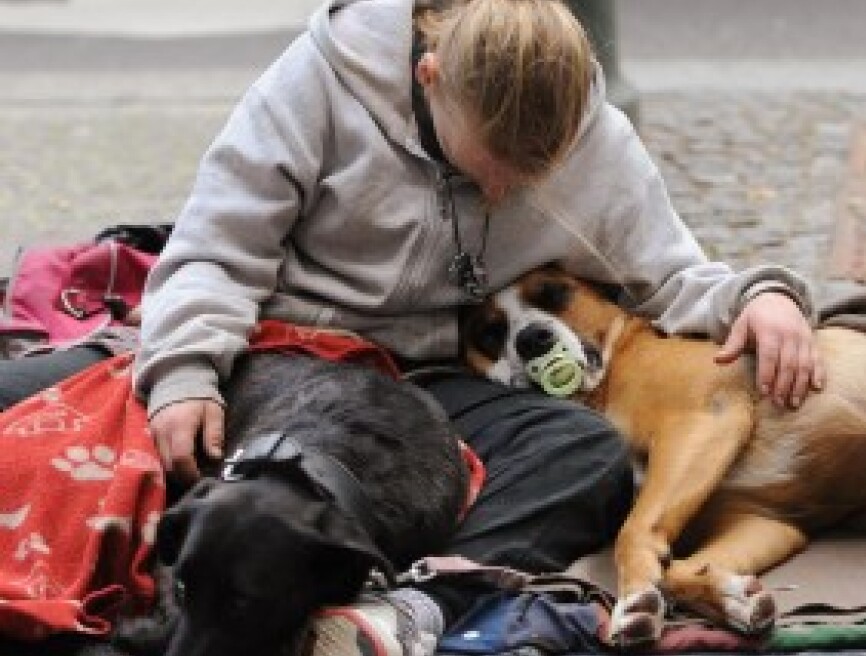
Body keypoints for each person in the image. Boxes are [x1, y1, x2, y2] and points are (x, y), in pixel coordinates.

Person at [0, 0, 823, 653]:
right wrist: (183, 373)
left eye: (532, 172)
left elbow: (669, 271)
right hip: (273, 356)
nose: (504, 192)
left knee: (585, 457)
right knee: (27, 394)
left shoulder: (587, 129)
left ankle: (403, 605)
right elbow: (215, 249)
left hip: (431, 393)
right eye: (488, 166)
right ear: (427, 77)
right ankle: (243, 568)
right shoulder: (321, 81)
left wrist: (760, 297)